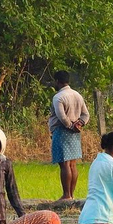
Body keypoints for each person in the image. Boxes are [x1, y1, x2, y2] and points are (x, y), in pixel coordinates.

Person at [48, 70, 89, 201]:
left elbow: (61, 116)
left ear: (57, 81)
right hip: (75, 133)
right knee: (72, 164)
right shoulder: (77, 95)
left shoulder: (58, 97)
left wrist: (70, 125)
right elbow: (85, 114)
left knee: (64, 164)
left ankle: (66, 195)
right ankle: (71, 194)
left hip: (62, 131)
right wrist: (79, 124)